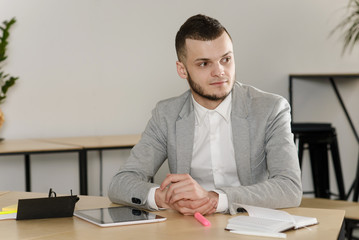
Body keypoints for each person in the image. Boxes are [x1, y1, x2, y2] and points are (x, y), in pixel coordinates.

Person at [108, 14, 302, 216]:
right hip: (189, 226)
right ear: (182, 70)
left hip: (251, 224)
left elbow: (289, 187)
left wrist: (216, 199)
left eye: (226, 59)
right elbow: (120, 183)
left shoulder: (271, 109)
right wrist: (163, 197)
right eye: (204, 64)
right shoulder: (166, 115)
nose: (220, 72)